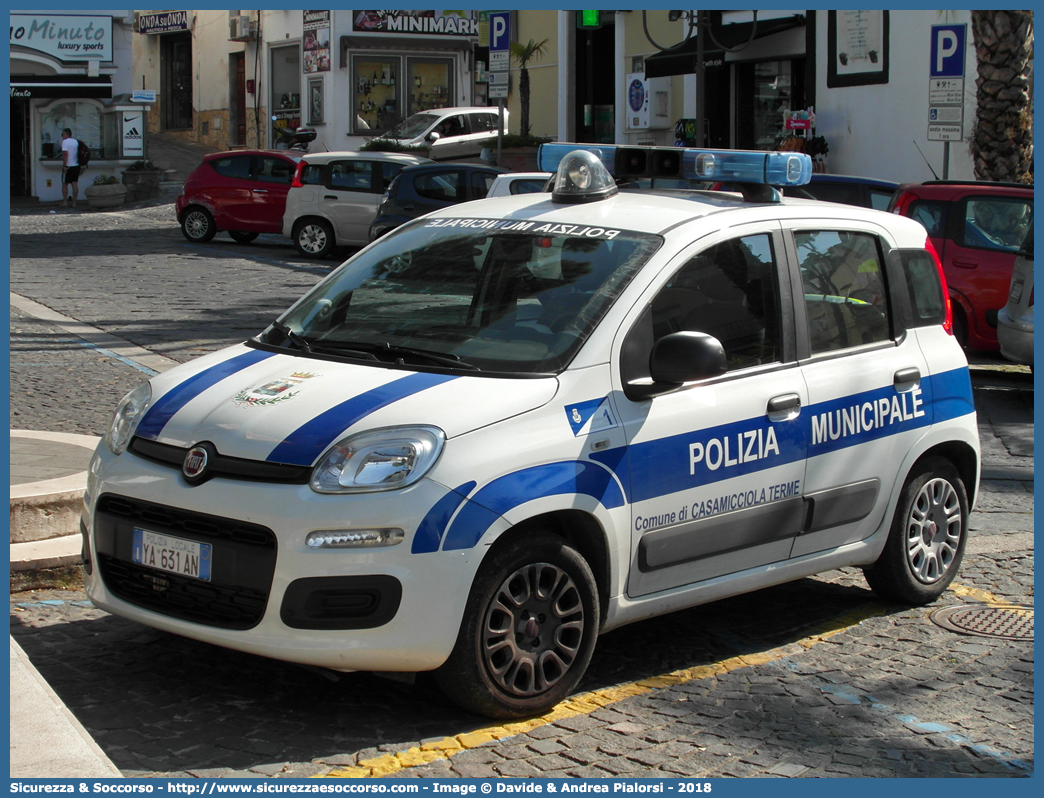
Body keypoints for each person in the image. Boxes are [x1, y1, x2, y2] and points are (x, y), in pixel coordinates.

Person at [60, 128, 81, 208]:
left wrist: (64, 165)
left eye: (62, 134)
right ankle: (74, 202)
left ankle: (65, 201)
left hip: (68, 165)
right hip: (76, 165)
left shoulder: (65, 142)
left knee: (64, 184)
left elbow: (65, 154)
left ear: (66, 134)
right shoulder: (75, 141)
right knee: (74, 183)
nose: (62, 136)